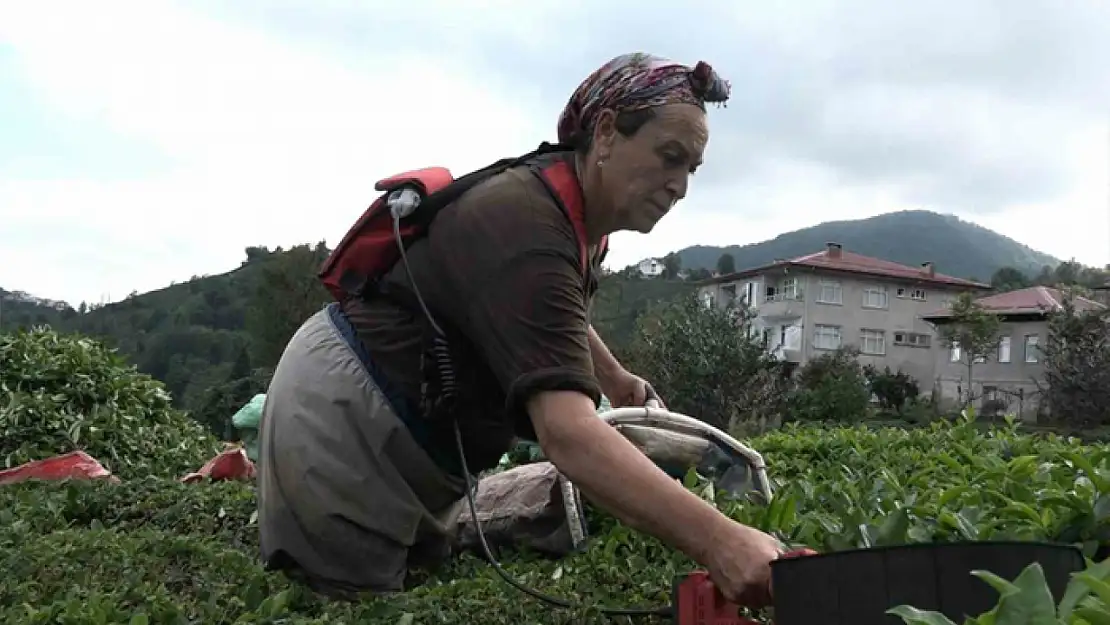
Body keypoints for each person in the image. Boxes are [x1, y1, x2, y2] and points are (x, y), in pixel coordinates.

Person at [256, 51, 783, 608]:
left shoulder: (579, 217)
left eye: (691, 170)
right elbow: (568, 434)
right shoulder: (528, 225)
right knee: (355, 604)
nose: (679, 186)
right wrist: (721, 541)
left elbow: (556, 311)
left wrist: (614, 376)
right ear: (605, 134)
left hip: (414, 439)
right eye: (668, 158)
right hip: (344, 427)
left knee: (422, 568)